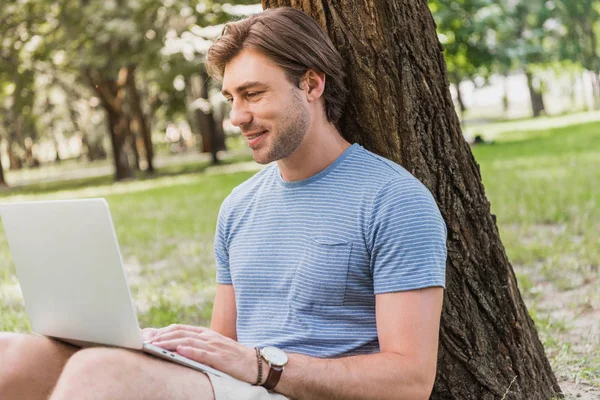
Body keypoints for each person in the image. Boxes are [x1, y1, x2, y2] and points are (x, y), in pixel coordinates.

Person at [0, 7, 447, 400]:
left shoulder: (393, 201)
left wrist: (262, 365)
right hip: (242, 385)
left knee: (101, 371)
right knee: (13, 353)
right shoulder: (240, 206)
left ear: (311, 84)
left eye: (253, 94)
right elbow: (223, 343)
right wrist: (164, 347)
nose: (236, 117)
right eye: (231, 98)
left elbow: (409, 380)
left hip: (295, 390)